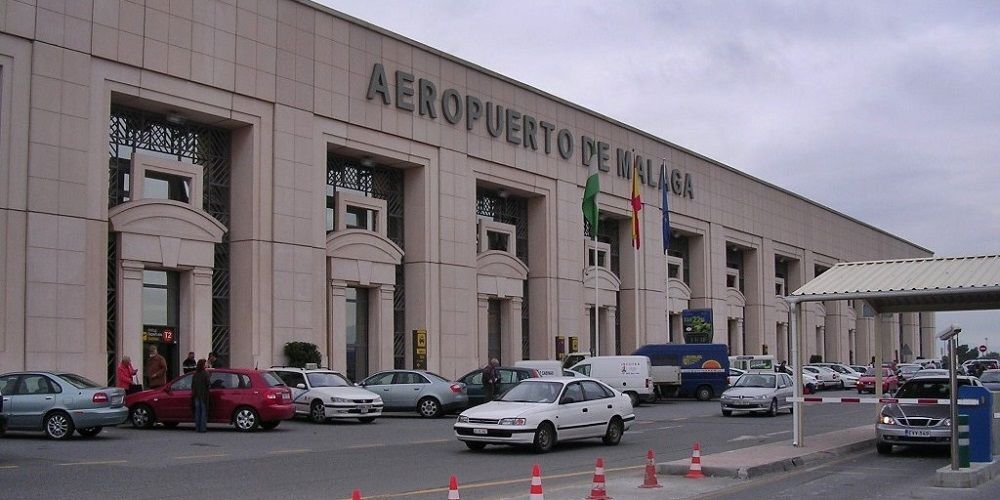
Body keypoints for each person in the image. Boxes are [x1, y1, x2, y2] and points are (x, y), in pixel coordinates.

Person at [191, 359, 211, 433]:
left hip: (196, 395)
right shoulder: (205, 373)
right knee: (203, 412)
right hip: (204, 395)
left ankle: (197, 428)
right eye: (205, 364)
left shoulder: (195, 374)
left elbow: (192, 385)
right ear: (203, 365)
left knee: (197, 412)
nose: (206, 365)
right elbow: (208, 384)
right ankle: (202, 428)